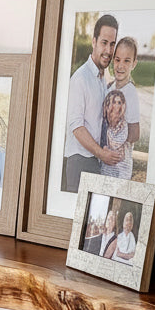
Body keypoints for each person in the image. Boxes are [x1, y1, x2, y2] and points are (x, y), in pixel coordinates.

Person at [63, 14, 123, 192]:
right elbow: (76, 126)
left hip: (96, 163)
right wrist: (102, 153)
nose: (108, 50)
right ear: (94, 41)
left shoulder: (102, 78)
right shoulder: (80, 79)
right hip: (80, 162)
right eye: (104, 42)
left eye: (112, 44)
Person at [104, 34, 142, 152]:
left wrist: (116, 136)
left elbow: (135, 134)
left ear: (134, 64)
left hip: (120, 163)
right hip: (105, 156)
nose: (120, 65)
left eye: (126, 61)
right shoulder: (110, 88)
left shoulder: (130, 92)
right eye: (117, 59)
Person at [98, 90, 133, 180]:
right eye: (114, 102)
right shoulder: (104, 122)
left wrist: (105, 145)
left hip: (122, 169)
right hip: (107, 168)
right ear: (108, 104)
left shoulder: (123, 123)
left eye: (119, 102)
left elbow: (115, 142)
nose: (117, 105)